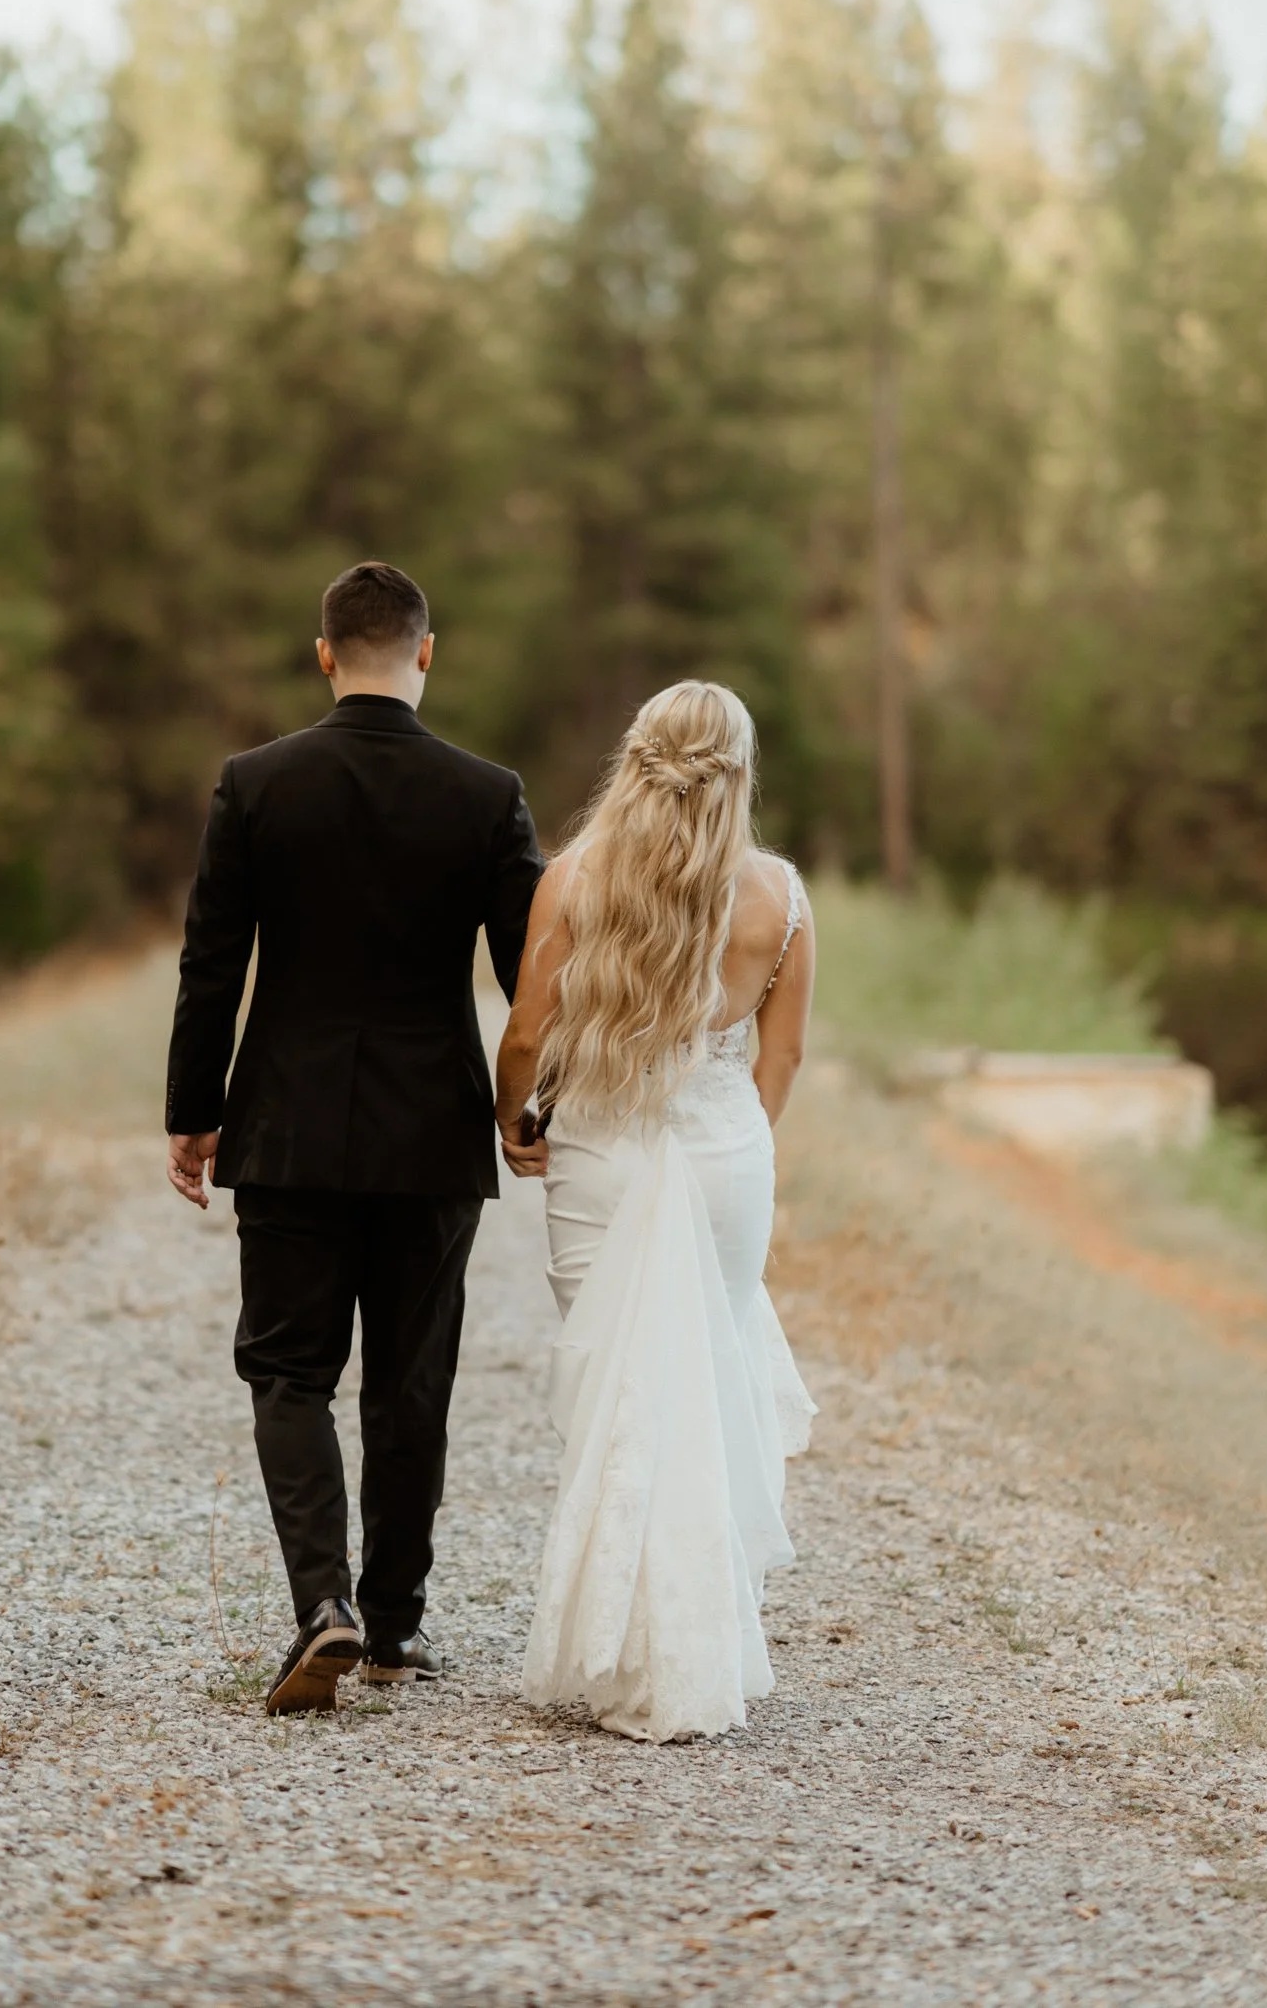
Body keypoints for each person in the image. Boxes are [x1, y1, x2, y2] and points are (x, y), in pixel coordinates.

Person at [165, 562, 543, 1715]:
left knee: (287, 1368)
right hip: (430, 1136)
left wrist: (193, 1112)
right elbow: (535, 978)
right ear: (426, 653)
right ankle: (390, 1625)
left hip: (284, 1124)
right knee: (410, 1382)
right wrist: (532, 1105)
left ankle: (318, 1605)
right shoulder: (487, 796)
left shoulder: (255, 784)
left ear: (323, 653)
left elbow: (210, 963)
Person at [494, 680, 817, 1743]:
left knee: (616, 1387)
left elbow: (528, 1034)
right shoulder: (779, 897)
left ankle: (632, 1649)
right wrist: (730, 1136)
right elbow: (780, 1057)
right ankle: (695, 1642)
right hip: (727, 1157)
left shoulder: (576, 879)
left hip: (601, 1151)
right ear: (738, 772)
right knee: (706, 1381)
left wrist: (515, 1121)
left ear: (635, 760)